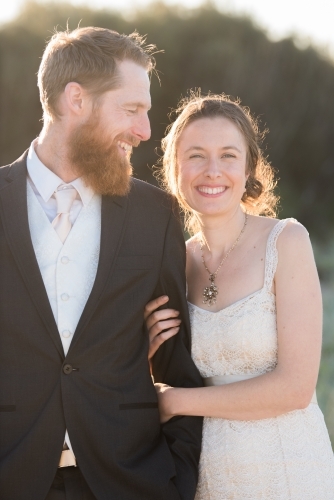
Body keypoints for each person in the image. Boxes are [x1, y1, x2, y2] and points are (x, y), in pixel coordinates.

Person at [0, 27, 203, 500]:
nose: (145, 130)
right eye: (131, 110)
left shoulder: (155, 215)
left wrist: (177, 480)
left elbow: (180, 366)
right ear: (77, 100)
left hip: (129, 481)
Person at [145, 93, 334, 499]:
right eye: (196, 155)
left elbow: (296, 389)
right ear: (174, 168)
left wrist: (174, 401)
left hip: (288, 471)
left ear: (248, 168)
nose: (212, 171)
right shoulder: (172, 264)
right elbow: (164, 371)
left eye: (228, 155)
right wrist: (143, 356)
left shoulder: (286, 241)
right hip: (206, 477)